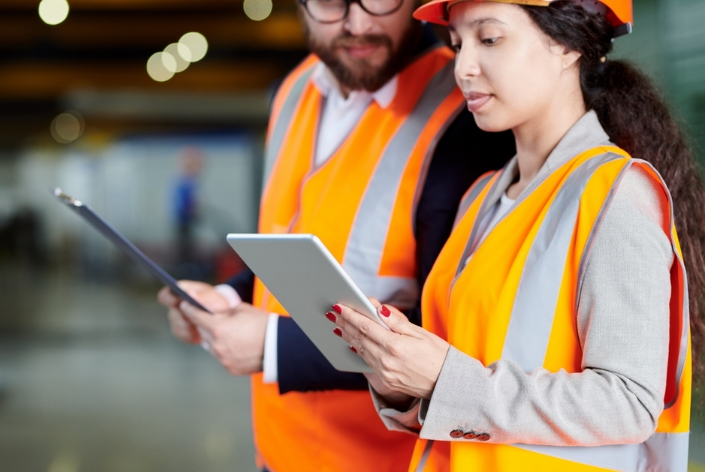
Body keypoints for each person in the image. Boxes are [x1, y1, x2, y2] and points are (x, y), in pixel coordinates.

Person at [331, 0, 705, 470]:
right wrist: (400, 375)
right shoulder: (480, 197)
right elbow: (464, 384)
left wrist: (445, 378)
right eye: (457, 44)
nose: (463, 67)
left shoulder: (617, 196)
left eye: (489, 39)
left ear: (567, 44)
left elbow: (628, 404)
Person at [157, 0, 515, 470]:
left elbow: (452, 334)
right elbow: (290, 237)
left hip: (384, 459)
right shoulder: (293, 91)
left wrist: (271, 345)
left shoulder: (469, 113)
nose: (358, 23)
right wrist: (225, 298)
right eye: (331, 2)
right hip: (278, 450)